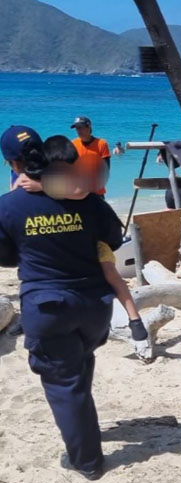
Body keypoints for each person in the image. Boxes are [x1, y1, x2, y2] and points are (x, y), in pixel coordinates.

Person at [0, 127, 130, 480]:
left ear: (11, 163)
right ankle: (85, 432)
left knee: (63, 383)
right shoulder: (85, 198)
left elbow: (5, 256)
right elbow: (115, 239)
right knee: (78, 367)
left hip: (48, 308)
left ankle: (88, 462)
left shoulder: (8, 205)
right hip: (95, 306)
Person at [9, 137, 151, 362]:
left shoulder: (75, 180)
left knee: (111, 274)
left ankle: (135, 320)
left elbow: (80, 191)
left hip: (95, 240)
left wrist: (42, 186)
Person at [70, 116, 109, 196]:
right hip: (78, 191)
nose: (78, 131)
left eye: (80, 127)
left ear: (89, 127)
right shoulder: (73, 144)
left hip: (96, 191)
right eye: (77, 128)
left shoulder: (101, 144)